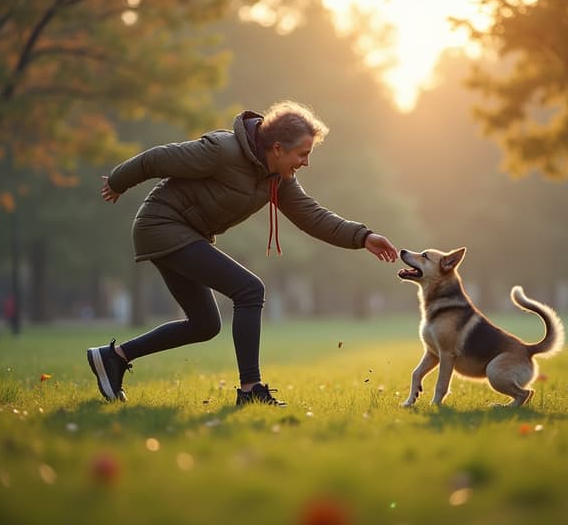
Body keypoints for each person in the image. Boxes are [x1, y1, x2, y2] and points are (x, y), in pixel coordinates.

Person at [87, 100, 398, 407]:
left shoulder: (277, 178)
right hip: (162, 225)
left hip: (184, 233)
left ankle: (114, 357)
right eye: (303, 154)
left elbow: (311, 216)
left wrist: (363, 236)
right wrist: (117, 182)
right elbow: (156, 159)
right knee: (249, 289)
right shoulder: (222, 151)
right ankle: (250, 388)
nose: (306, 163)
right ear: (278, 148)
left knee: (205, 325)